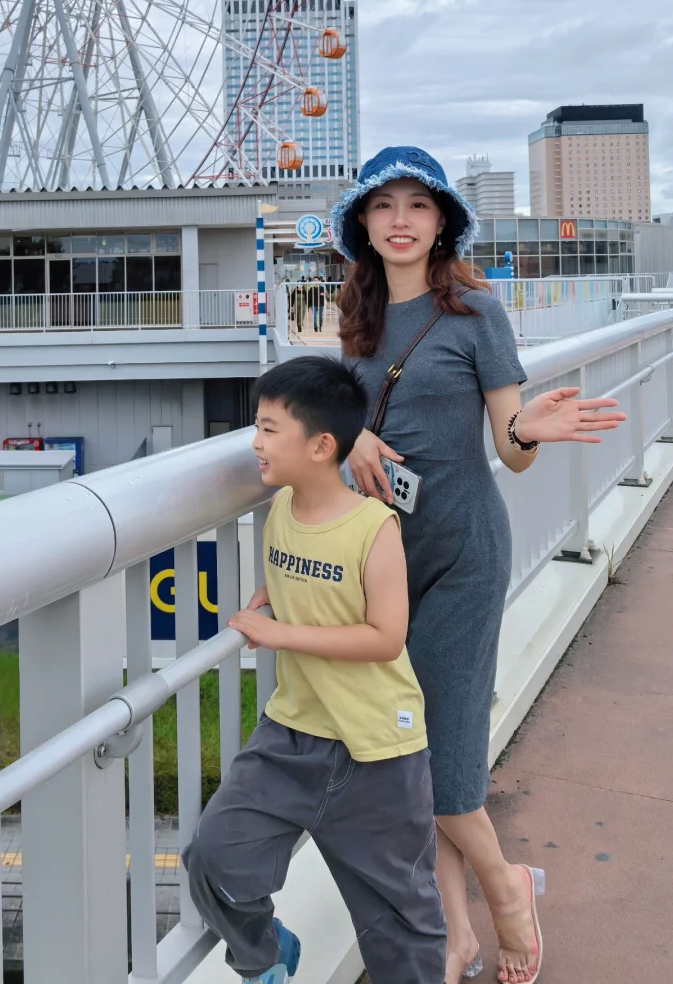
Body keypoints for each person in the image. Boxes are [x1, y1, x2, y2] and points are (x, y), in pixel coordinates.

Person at [331, 146, 626, 984]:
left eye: (417, 206)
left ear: (442, 224)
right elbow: (319, 412)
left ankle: (506, 892)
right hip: (383, 559)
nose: (399, 220)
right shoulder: (354, 321)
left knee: (441, 751)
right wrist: (348, 436)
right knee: (406, 743)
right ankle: (453, 934)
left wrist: (530, 428)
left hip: (463, 550)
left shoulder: (476, 315)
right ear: (363, 224)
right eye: (383, 205)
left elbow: (512, 449)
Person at [183, 355, 447, 984]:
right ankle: (266, 956)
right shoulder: (280, 509)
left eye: (269, 429)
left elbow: (386, 637)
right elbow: (297, 581)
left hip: (377, 749)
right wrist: (269, 599)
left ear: (322, 445)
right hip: (292, 734)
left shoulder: (374, 527)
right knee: (213, 857)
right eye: (257, 425)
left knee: (400, 919)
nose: (255, 442)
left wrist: (279, 633)